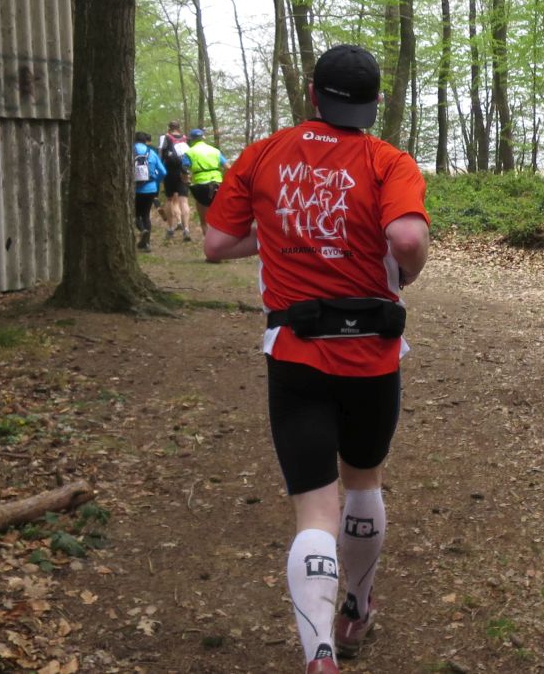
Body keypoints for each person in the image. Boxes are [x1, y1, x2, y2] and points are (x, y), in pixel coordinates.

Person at [204, 44, 429, 674]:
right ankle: (356, 608)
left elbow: (217, 242)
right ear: (376, 101)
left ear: (312, 94)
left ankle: (319, 653)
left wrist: (280, 233)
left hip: (296, 353)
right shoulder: (388, 160)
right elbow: (406, 235)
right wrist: (408, 271)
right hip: (373, 354)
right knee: (363, 479)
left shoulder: (262, 153)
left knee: (314, 507)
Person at [184, 128, 229, 231]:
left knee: (204, 220)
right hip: (217, 183)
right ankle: (221, 236)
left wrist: (186, 181)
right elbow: (228, 167)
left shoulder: (189, 152)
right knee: (219, 216)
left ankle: (207, 237)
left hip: (200, 186)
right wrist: (225, 179)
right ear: (203, 138)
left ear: (191, 139)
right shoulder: (215, 151)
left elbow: (184, 169)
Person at [130, 131, 168, 252]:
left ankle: (142, 230)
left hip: (134, 189)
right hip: (151, 188)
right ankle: (146, 245)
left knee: (135, 214)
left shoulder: (129, 151)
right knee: (146, 215)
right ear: (145, 141)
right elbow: (163, 172)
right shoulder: (151, 152)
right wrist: (155, 182)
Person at [158, 121, 193, 242]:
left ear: (169, 128)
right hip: (183, 172)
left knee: (169, 199)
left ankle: (171, 228)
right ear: (179, 128)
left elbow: (161, 155)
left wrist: (160, 172)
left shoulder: (166, 138)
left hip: (170, 172)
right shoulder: (186, 138)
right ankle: (186, 229)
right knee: (184, 201)